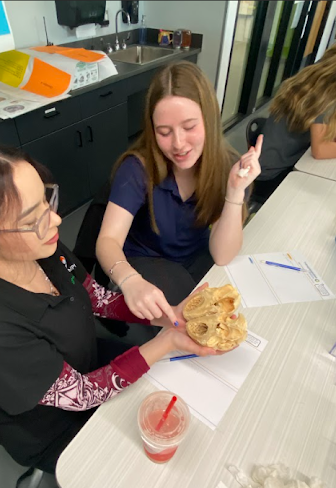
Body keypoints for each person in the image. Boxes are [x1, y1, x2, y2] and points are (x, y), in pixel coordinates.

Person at [0, 138, 230, 475]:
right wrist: (166, 342)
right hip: (53, 427)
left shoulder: (44, 251)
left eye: (46, 200)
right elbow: (81, 394)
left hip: (87, 360)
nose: (55, 220)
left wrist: (167, 314)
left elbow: (96, 299)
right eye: (32, 218)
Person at [96, 60, 262, 324]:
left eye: (189, 127)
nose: (178, 144)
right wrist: (129, 280)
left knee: (236, 306)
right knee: (190, 323)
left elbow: (222, 254)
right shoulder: (137, 169)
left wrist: (234, 192)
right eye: (164, 132)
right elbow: (107, 241)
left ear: (209, 119)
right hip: (146, 262)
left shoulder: (226, 166)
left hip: (194, 259)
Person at [252, 43, 336, 204]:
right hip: (270, 175)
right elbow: (320, 150)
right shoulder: (326, 95)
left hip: (265, 163)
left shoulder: (311, 78)